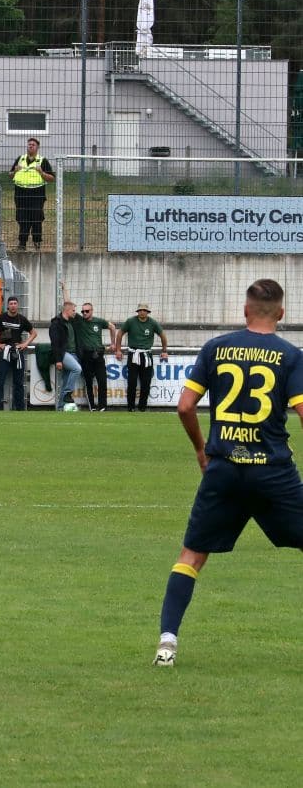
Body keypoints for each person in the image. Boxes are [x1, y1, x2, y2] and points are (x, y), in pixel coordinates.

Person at [153, 279, 303, 667]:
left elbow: (185, 406)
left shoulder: (216, 348)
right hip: (273, 472)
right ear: (282, 314)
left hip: (223, 469)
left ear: (244, 310)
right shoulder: (290, 356)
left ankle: (167, 644)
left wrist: (203, 451)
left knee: (191, 555)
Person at [115, 302, 169, 412]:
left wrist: (164, 351)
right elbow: (120, 333)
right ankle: (130, 407)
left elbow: (162, 335)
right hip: (133, 354)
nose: (142, 312)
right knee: (132, 381)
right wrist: (118, 349)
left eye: (144, 310)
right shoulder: (130, 321)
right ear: (138, 311)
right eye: (140, 310)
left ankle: (142, 407)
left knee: (146, 382)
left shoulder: (153, 323)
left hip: (146, 355)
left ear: (147, 312)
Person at [0, 296, 36, 411]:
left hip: (17, 352)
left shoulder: (22, 319)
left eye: (15, 303)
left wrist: (25, 344)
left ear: (18, 305)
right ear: (8, 305)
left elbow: (34, 333)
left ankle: (19, 408)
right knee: (0, 380)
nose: (13, 305)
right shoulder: (1, 318)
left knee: (19, 382)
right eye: (11, 303)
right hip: (4, 352)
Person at [73, 299, 119, 411]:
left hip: (98, 354)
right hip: (86, 355)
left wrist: (113, 343)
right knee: (88, 382)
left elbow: (112, 327)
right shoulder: (79, 320)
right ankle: (92, 407)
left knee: (102, 381)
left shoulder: (98, 321)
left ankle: (102, 406)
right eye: (83, 311)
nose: (84, 313)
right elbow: (69, 305)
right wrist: (64, 289)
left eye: (87, 311)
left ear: (92, 311)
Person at [10, 137, 55, 250]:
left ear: (37, 147)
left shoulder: (42, 161)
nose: (30, 146)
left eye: (33, 145)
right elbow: (10, 175)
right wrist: (15, 171)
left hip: (37, 194)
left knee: (36, 219)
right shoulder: (20, 159)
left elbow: (51, 178)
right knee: (22, 219)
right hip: (20, 193)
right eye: (29, 144)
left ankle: (37, 243)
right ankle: (22, 244)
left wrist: (41, 172)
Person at [48, 300, 82, 411]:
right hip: (63, 354)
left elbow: (68, 300)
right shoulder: (56, 324)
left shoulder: (72, 322)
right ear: (67, 310)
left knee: (66, 382)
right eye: (73, 310)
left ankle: (61, 408)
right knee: (77, 369)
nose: (75, 312)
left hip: (73, 354)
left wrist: (64, 289)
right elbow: (55, 343)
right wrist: (58, 360)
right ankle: (68, 393)